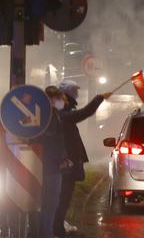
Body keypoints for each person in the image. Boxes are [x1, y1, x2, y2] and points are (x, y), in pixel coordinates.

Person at [53, 80, 111, 238]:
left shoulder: (62, 112)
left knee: (63, 200)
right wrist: (99, 98)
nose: (77, 94)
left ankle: (58, 226)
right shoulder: (63, 114)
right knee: (62, 199)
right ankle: (56, 230)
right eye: (75, 92)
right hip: (66, 165)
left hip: (67, 164)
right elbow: (83, 113)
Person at [40, 87, 71, 238]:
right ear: (52, 99)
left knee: (45, 202)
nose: (63, 102)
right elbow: (52, 141)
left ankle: (44, 232)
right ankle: (47, 234)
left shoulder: (43, 114)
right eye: (60, 98)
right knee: (51, 202)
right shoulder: (51, 115)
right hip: (52, 166)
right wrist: (61, 160)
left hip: (45, 164)